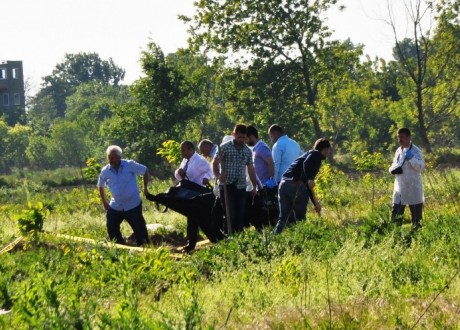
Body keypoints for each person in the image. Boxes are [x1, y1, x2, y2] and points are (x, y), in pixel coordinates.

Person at [273, 138, 331, 234]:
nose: (329, 153)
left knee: (284, 218)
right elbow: (306, 166)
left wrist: (315, 203)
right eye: (329, 150)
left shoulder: (309, 155)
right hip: (296, 185)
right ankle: (302, 239)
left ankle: (275, 237)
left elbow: (308, 186)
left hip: (283, 185)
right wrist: (310, 178)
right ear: (325, 149)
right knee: (300, 219)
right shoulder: (316, 154)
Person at [97, 145, 151, 246]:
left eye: (112, 157)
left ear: (119, 156)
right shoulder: (105, 170)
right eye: (109, 157)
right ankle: (119, 247)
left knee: (139, 229)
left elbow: (145, 171)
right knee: (111, 226)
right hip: (116, 205)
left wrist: (145, 188)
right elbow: (100, 185)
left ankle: (144, 247)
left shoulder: (129, 165)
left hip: (132, 204)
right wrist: (104, 201)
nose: (110, 159)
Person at [213, 124, 257, 234]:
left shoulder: (247, 151)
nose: (241, 140)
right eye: (239, 137)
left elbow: (251, 169)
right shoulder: (225, 147)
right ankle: (228, 235)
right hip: (226, 185)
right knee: (229, 213)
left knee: (240, 213)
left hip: (241, 185)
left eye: (243, 137)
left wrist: (254, 186)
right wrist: (218, 175)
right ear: (234, 135)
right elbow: (214, 163)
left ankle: (238, 236)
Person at [174, 141, 214, 252]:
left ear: (190, 149)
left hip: (199, 194)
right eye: (181, 150)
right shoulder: (185, 160)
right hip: (188, 193)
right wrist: (179, 171)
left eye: (183, 150)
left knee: (198, 219)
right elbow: (178, 175)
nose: (182, 153)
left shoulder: (200, 160)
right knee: (191, 219)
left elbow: (210, 172)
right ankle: (191, 244)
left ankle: (210, 239)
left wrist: (205, 178)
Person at [389, 127, 425, 229]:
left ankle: (416, 236)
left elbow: (421, 167)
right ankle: (394, 236)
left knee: (416, 217)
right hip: (400, 188)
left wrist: (411, 158)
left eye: (402, 137)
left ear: (409, 137)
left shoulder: (416, 151)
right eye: (398, 137)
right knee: (396, 214)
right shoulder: (398, 151)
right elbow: (393, 165)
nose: (399, 139)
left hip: (413, 187)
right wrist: (393, 169)